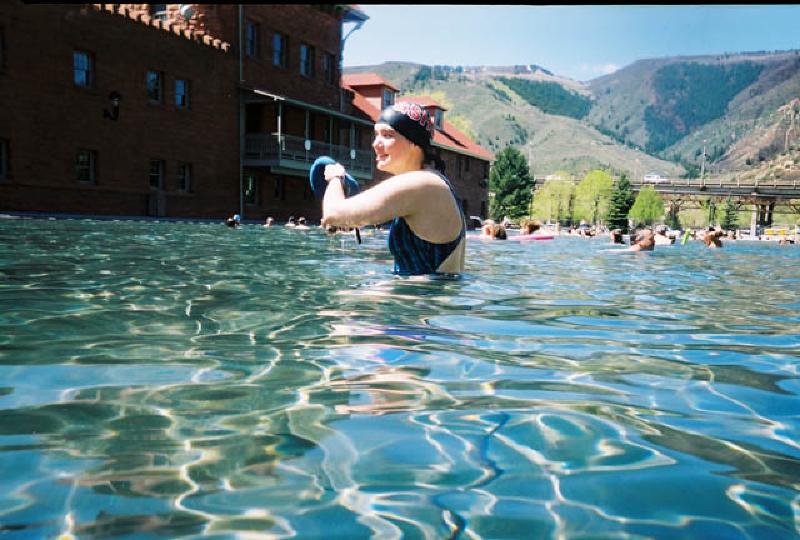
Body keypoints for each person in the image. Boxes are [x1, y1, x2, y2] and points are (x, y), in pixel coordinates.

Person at [320, 102, 465, 276]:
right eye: (376, 135)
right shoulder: (431, 183)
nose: (375, 144)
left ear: (414, 143)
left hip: (423, 299)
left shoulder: (420, 184)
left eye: (387, 135)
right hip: (428, 296)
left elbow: (332, 213)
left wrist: (336, 177)